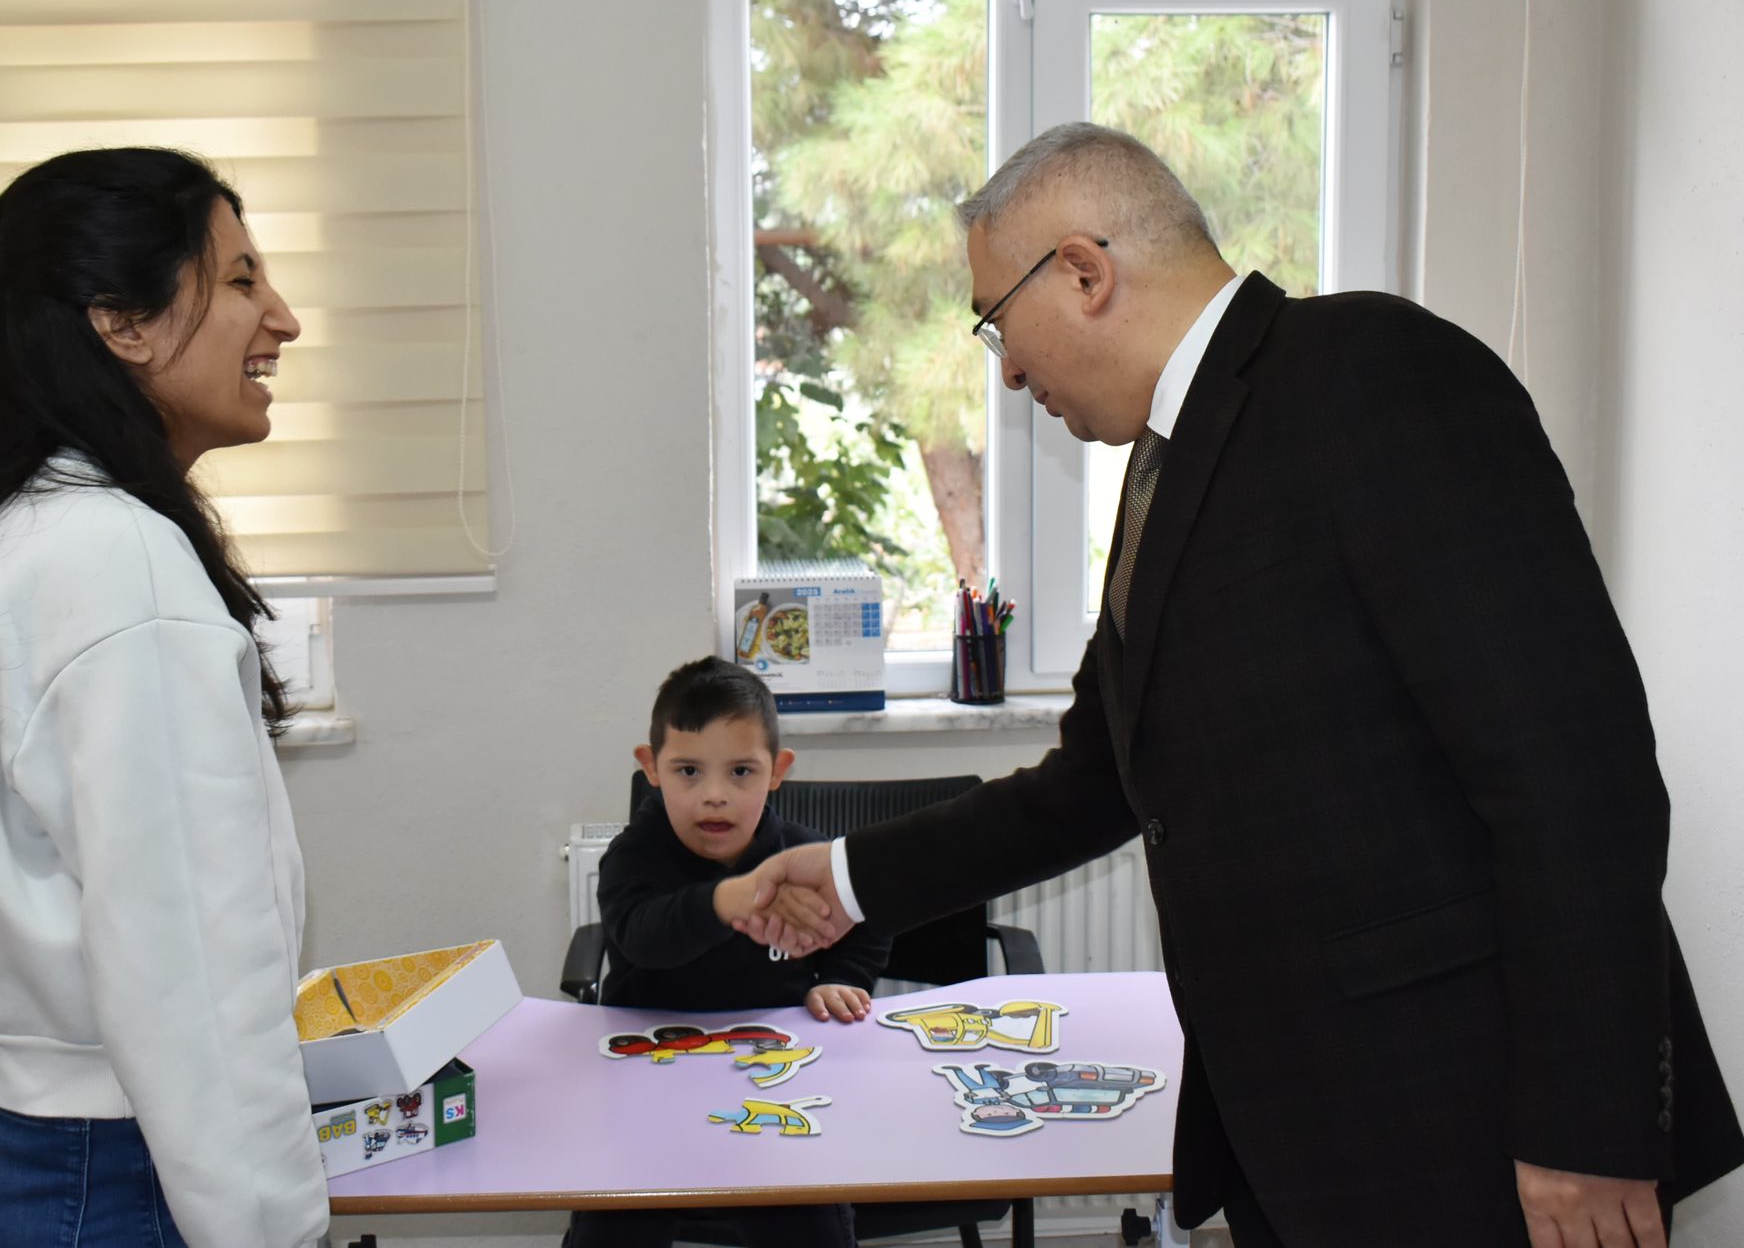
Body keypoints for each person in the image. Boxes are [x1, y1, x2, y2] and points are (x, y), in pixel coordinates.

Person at [739, 123, 1744, 1247]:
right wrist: (847, 877)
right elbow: (1093, 782)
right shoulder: (1158, 473)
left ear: (1082, 272)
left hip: (1472, 1122)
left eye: (995, 322)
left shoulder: (1376, 374)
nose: (1007, 370)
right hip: (1303, 1130)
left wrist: (1588, 1125)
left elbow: (1573, 774)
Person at [0, 148, 329, 1248]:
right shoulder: (116, 562)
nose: (285, 318)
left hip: (47, 1135)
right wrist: (276, 1226)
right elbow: (186, 962)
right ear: (121, 323)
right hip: (129, 1158)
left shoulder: (24, 525)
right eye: (243, 279)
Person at [565, 657, 891, 1248]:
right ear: (651, 768)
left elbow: (869, 919)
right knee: (610, 1228)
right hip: (647, 1082)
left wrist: (840, 976)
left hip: (774, 1078)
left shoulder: (804, 857)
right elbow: (642, 937)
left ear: (777, 771)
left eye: (741, 771)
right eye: (688, 771)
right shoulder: (632, 858)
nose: (714, 796)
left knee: (811, 1226)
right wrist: (726, 899)